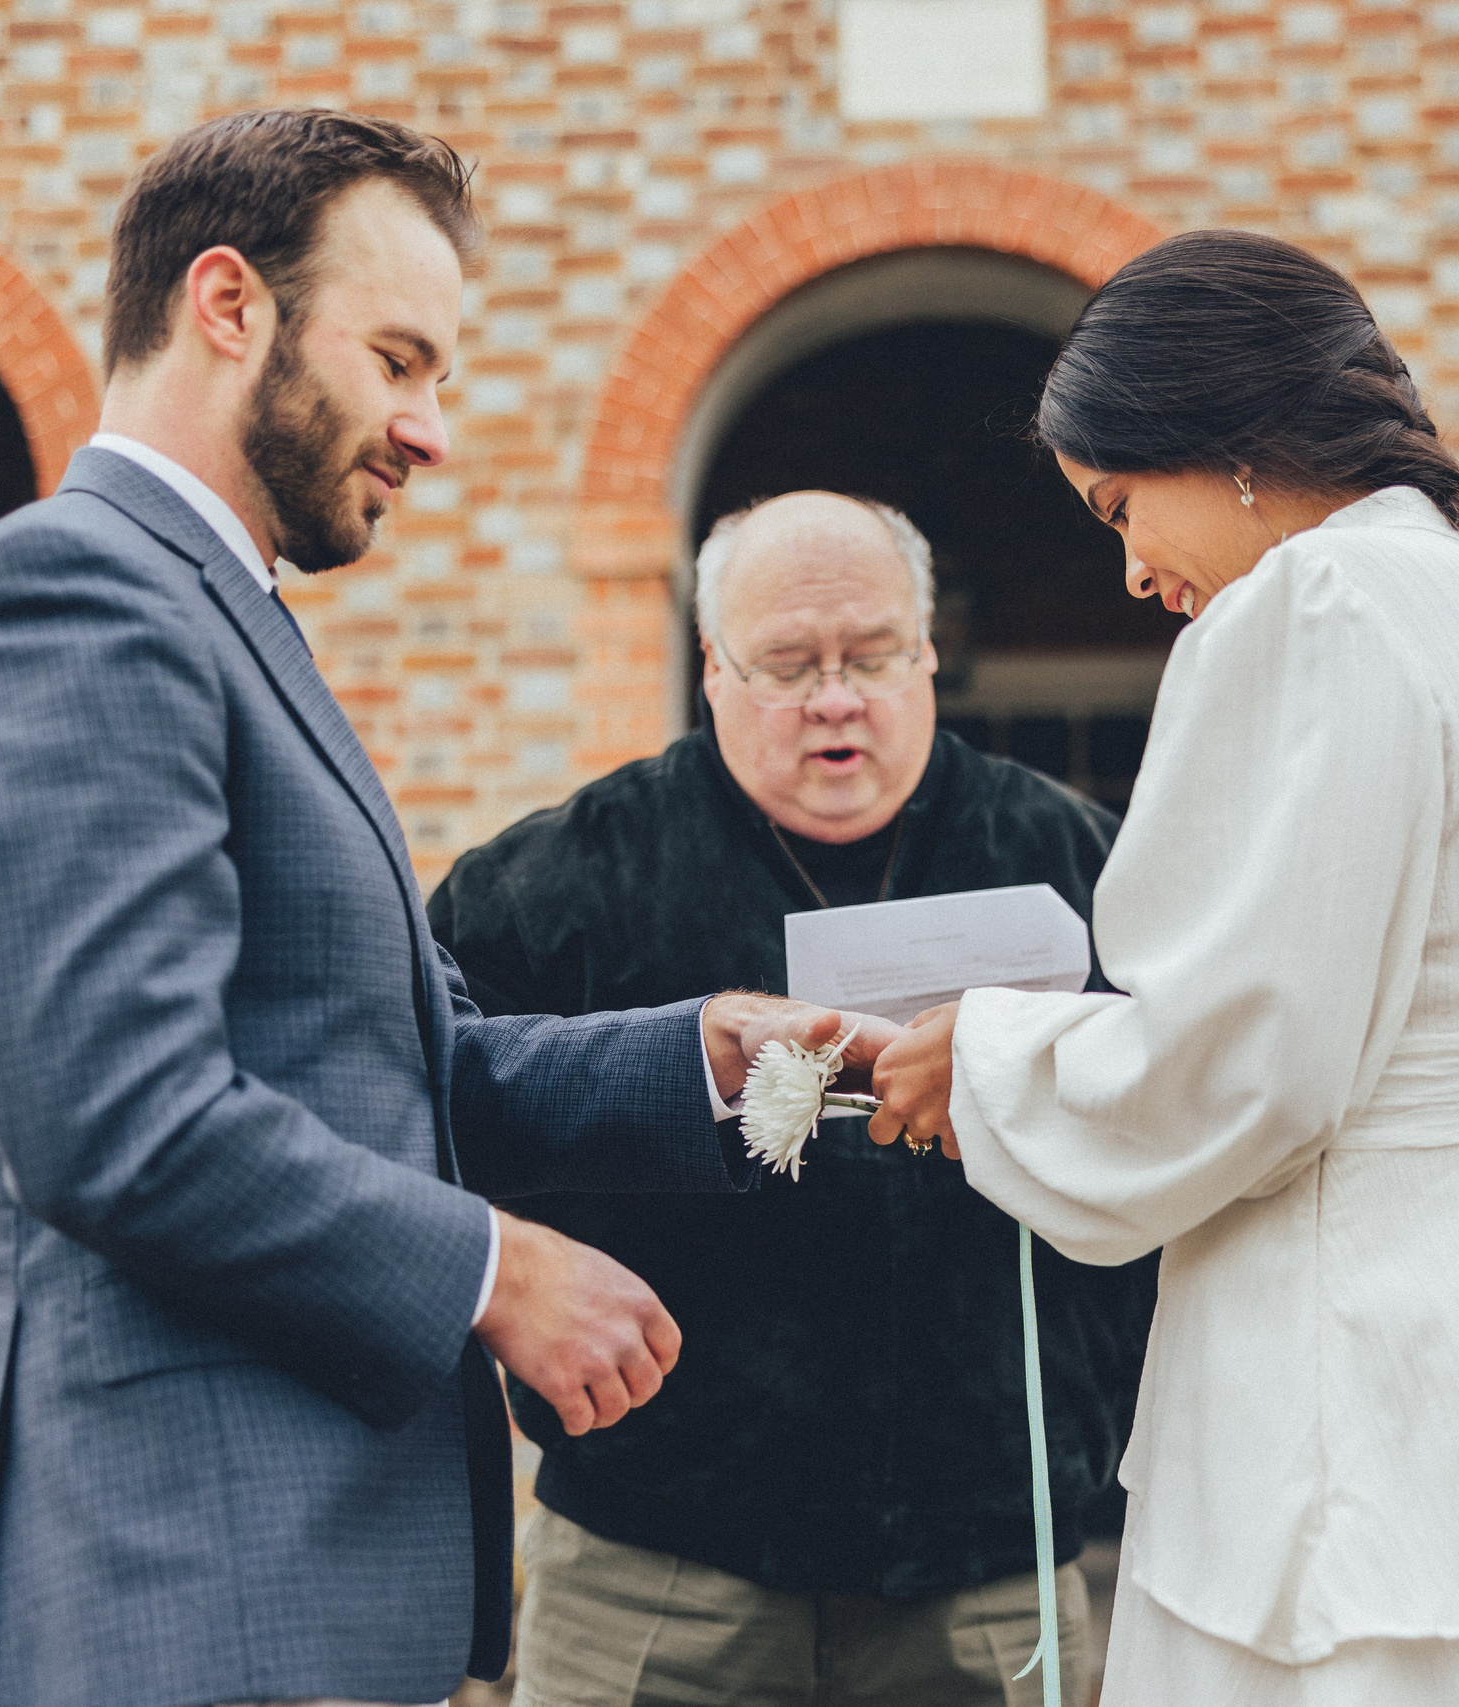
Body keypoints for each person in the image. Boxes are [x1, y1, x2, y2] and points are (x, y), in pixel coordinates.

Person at [0, 110, 886, 1707]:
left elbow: (396, 1065)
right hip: (187, 1592)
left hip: (294, 1599)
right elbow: (112, 1114)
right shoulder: (72, 597)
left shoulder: (227, 621)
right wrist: (495, 1269)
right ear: (230, 305)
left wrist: (696, 1053)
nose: (431, 430)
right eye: (401, 359)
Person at [867, 230, 1459, 1705]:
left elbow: (1248, 1060)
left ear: (1220, 445)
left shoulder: (1318, 605)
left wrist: (984, 1053)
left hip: (1333, 1401)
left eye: (1118, 507)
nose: (1133, 570)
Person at [426, 490, 1157, 1707]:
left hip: (986, 1568)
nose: (836, 697)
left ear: (929, 654)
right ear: (709, 667)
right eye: (787, 664)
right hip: (649, 1564)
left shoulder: (1082, 867)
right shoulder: (549, 886)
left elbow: (1186, 1131)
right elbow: (433, 1110)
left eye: (872, 656)